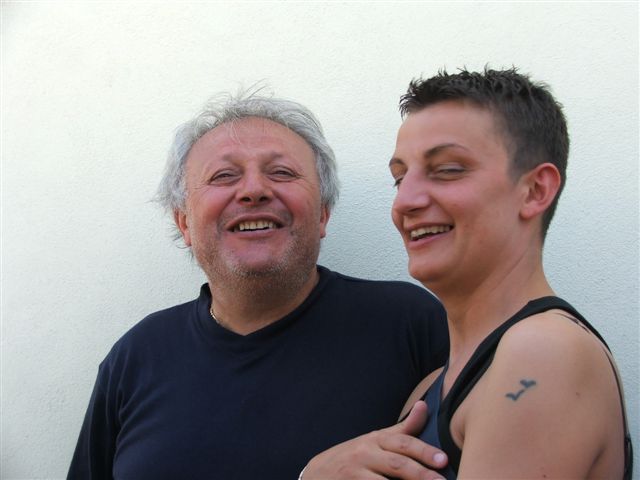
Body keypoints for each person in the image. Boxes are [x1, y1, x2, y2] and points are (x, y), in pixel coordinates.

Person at [67, 91, 450, 479]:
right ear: (184, 223)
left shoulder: (409, 324)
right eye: (224, 176)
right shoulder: (136, 357)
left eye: (281, 172)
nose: (254, 190)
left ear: (322, 214)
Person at [303, 68, 633, 479]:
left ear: (535, 190)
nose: (406, 201)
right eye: (400, 178)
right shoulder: (433, 385)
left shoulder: (543, 354)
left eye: (447, 169)